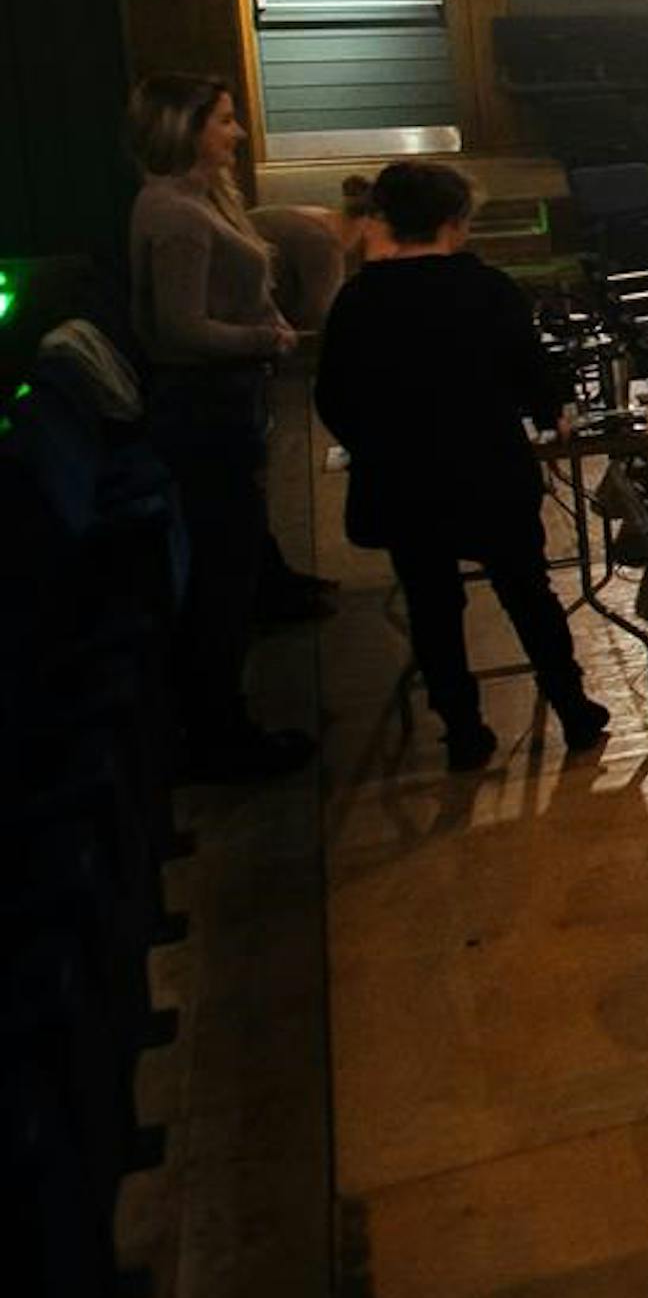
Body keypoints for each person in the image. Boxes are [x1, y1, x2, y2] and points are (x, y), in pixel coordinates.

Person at [316, 161, 608, 770]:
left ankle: (464, 732)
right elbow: (530, 375)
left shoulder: (358, 299)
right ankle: (574, 709)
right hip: (488, 471)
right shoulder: (488, 290)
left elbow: (334, 398)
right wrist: (549, 411)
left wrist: (378, 443)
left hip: (402, 483)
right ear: (456, 222)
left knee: (432, 604)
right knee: (527, 591)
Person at [125, 72, 320, 781]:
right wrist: (268, 339)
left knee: (234, 563)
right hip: (202, 409)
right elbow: (177, 328)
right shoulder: (174, 212)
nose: (238, 133)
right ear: (187, 128)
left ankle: (220, 716)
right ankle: (219, 731)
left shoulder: (195, 199)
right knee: (220, 576)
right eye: (227, 121)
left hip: (224, 403)